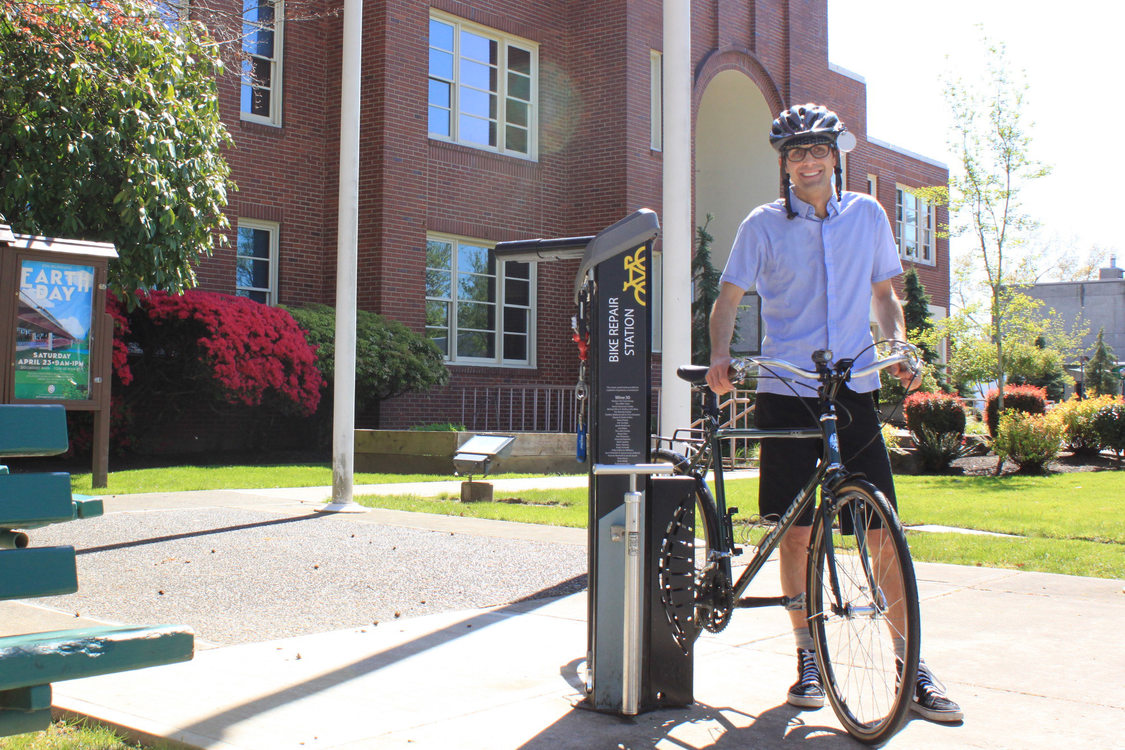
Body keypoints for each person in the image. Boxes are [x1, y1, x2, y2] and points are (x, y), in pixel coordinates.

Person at [705, 103, 962, 723]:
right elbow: (728, 299)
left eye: (818, 149)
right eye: (795, 153)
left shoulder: (868, 215)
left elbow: (884, 296)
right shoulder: (762, 226)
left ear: (835, 154)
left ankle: (910, 666)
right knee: (794, 531)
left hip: (853, 390)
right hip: (787, 389)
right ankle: (807, 658)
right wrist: (718, 356)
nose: (808, 161)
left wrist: (897, 344)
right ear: (784, 163)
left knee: (881, 533)